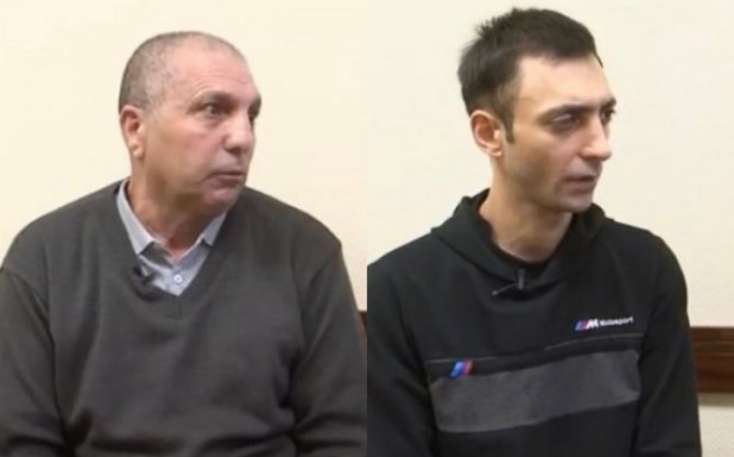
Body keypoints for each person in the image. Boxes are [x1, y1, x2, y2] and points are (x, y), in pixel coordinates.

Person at [0, 31, 365, 456]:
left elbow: (344, 436)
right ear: (135, 129)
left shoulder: (304, 252)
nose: (243, 138)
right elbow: (22, 442)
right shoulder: (44, 258)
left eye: (251, 116)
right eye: (213, 109)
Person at [368, 8, 700, 457]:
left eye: (605, 115)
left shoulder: (646, 268)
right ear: (489, 133)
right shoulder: (400, 291)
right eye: (566, 120)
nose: (601, 145)